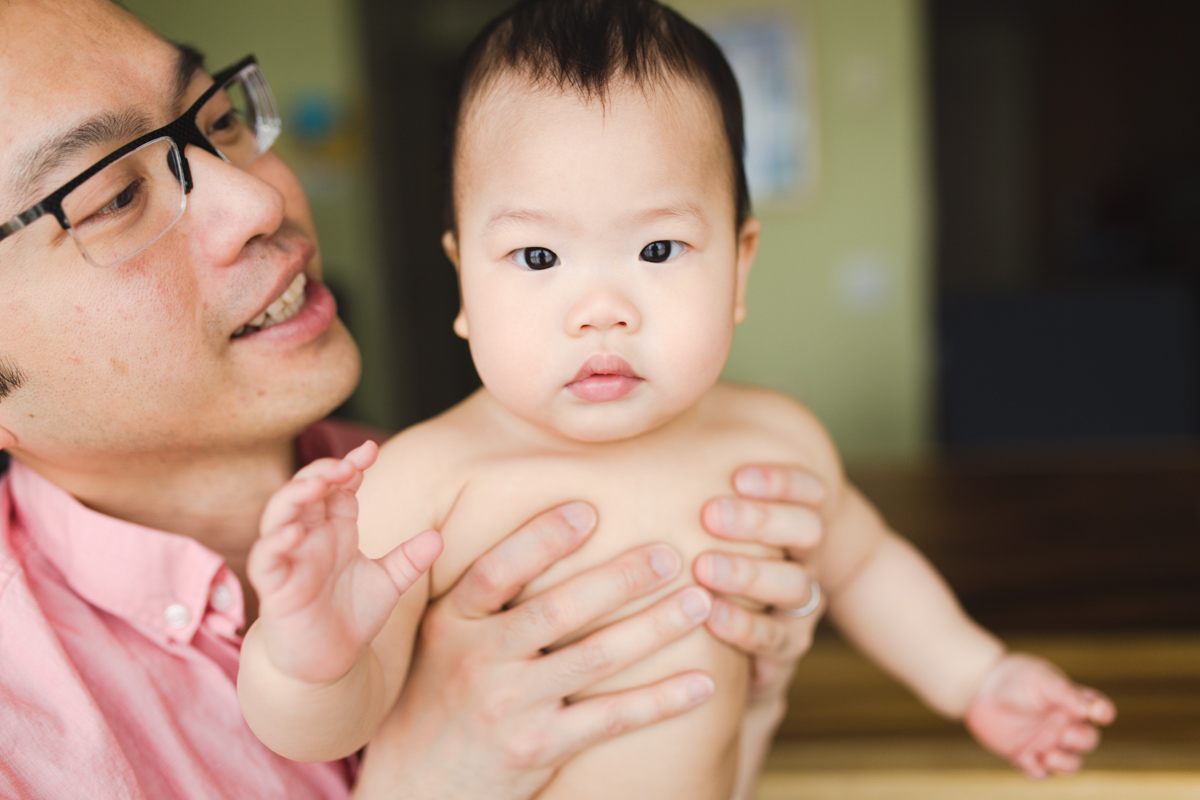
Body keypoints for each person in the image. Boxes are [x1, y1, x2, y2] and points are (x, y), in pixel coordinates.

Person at [237, 1, 1116, 798]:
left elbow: (866, 567)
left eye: (658, 250)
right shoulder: (427, 479)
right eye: (538, 258)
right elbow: (339, 723)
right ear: (464, 281)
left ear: (739, 265)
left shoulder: (773, 438)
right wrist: (305, 660)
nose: (602, 311)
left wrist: (981, 678)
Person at [0, 1, 830, 797]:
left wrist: (751, 707)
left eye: (216, 122)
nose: (259, 199)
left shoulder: (418, 485)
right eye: (112, 196)